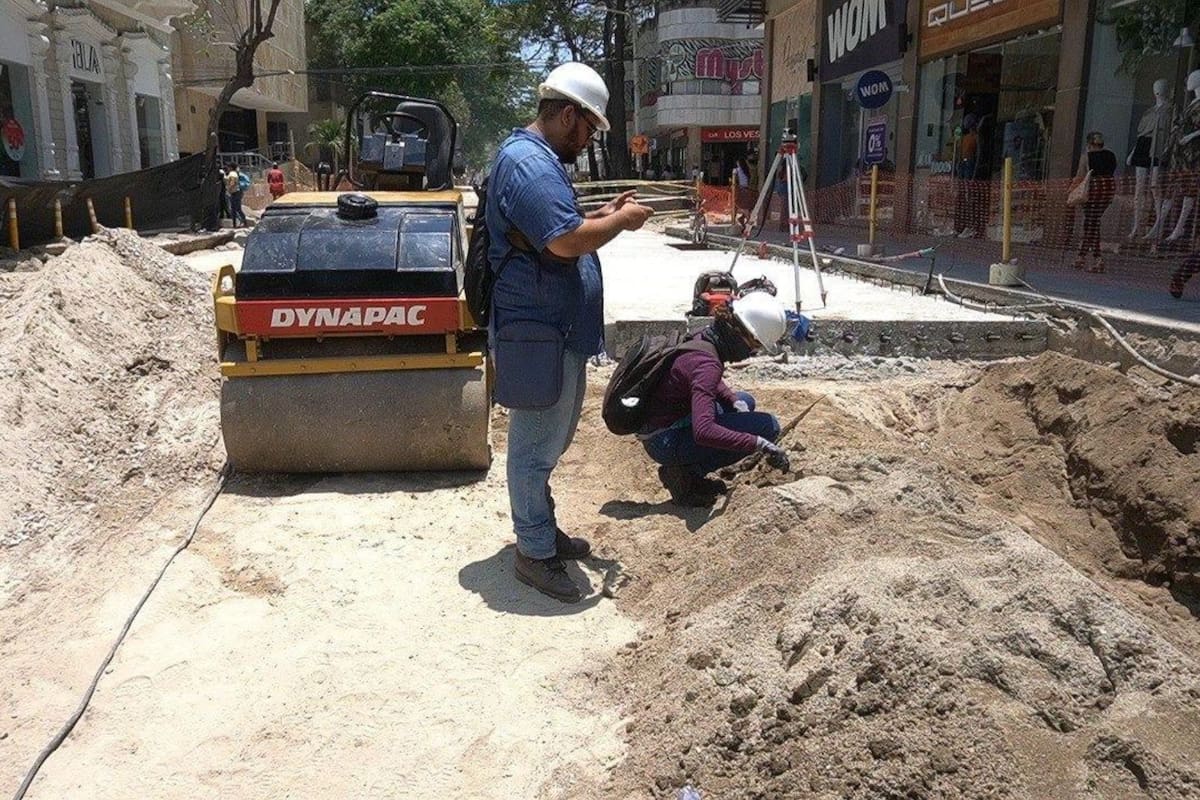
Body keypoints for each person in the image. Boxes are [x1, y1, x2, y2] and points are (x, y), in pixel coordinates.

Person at [486, 62, 655, 603]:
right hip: (538, 330)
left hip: (553, 328)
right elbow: (563, 242)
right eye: (588, 128)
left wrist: (602, 214)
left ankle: (542, 531)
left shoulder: (540, 162)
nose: (588, 141)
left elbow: (554, 227)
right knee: (534, 448)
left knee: (548, 443)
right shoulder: (529, 163)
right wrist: (620, 223)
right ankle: (533, 553)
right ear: (567, 115)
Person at [638, 292, 791, 507]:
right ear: (743, 333)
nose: (752, 353)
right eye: (755, 346)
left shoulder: (705, 337)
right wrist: (758, 443)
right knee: (768, 427)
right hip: (665, 441)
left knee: (744, 401)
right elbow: (704, 431)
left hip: (660, 426)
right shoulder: (707, 364)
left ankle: (687, 467)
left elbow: (701, 381)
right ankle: (687, 474)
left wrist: (732, 400)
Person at [1072, 131, 1117, 273]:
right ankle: (1083, 256)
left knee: (1091, 223)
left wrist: (1072, 190)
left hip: (1093, 191)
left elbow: (1080, 175)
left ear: (1089, 144)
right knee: (1093, 222)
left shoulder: (1086, 157)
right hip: (1107, 191)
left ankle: (1095, 258)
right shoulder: (1111, 156)